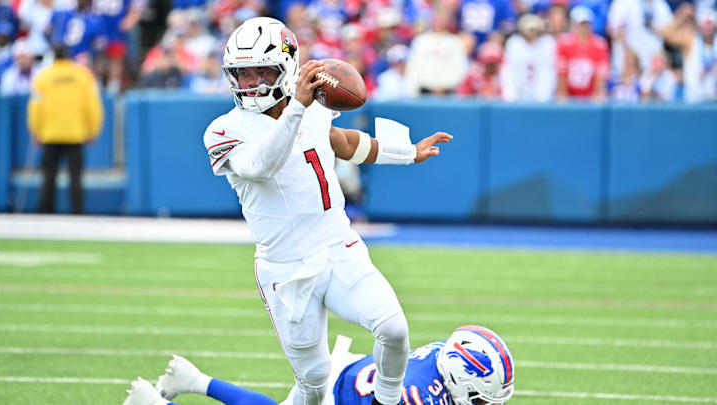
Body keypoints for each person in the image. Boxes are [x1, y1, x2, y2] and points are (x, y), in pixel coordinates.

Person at [198, 16, 452, 405]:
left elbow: (346, 143)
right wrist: (297, 108)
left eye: (260, 72)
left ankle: (387, 402)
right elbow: (262, 165)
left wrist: (407, 153)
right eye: (241, 73)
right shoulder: (223, 129)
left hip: (336, 245)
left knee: (394, 328)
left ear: (285, 70)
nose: (249, 83)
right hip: (285, 267)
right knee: (314, 382)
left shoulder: (312, 108)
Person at [122, 325, 515, 405]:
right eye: (481, 400)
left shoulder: (440, 357)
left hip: (342, 372)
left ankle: (192, 379)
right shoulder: (420, 395)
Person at [27, 44, 103, 214]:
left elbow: (35, 106)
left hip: (50, 133)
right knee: (75, 176)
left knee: (48, 175)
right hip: (75, 133)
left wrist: (35, 129)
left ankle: (45, 210)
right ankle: (77, 210)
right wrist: (93, 130)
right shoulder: (82, 75)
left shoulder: (43, 76)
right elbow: (93, 105)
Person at [663, 5, 717, 102]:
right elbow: (666, 35)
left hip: (714, 98)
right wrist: (681, 15)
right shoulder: (691, 40)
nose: (707, 28)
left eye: (710, 24)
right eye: (705, 24)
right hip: (693, 97)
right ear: (700, 26)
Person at [556, 6, 609, 102]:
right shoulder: (564, 44)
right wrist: (563, 97)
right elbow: (561, 74)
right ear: (574, 24)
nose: (584, 28)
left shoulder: (600, 45)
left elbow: (600, 76)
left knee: (601, 97)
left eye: (586, 24)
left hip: (590, 96)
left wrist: (595, 97)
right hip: (570, 95)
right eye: (581, 24)